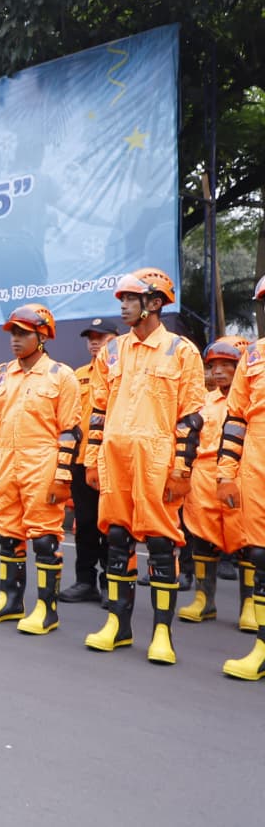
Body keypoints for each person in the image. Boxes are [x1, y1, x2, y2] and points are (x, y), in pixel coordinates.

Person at [83, 268, 204, 664]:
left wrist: (182, 470)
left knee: (159, 543)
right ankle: (119, 626)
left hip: (158, 460)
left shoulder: (181, 351)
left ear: (154, 303)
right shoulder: (112, 351)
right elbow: (98, 411)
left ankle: (162, 634)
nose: (122, 305)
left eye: (130, 299)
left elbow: (192, 417)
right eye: (122, 299)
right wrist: (92, 459)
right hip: (115, 458)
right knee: (117, 538)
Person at [0, 305, 80, 634]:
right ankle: (10, 601)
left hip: (42, 462)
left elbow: (71, 431)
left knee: (45, 538)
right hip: (6, 460)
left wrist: (62, 476)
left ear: (43, 335)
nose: (15, 340)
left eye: (23, 333)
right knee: (8, 535)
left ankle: (47, 610)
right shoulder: (1, 374)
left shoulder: (61, 376)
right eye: (12, 334)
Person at [178, 337, 251, 628]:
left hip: (241, 477)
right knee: (202, 539)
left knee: (249, 541)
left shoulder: (250, 400)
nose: (218, 371)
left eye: (226, 364)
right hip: (203, 479)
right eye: (214, 365)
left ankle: (251, 605)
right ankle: (203, 600)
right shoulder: (204, 402)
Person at [218, 276, 265, 680]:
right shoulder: (252, 357)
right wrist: (226, 476)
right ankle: (262, 648)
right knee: (261, 556)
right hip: (256, 465)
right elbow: (234, 420)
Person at [60, 317, 121, 604]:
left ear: (116, 339)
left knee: (111, 524)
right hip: (81, 460)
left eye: (101, 337)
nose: (95, 342)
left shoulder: (123, 372)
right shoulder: (77, 375)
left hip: (112, 462)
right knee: (84, 523)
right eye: (90, 338)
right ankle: (85, 581)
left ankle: (111, 583)